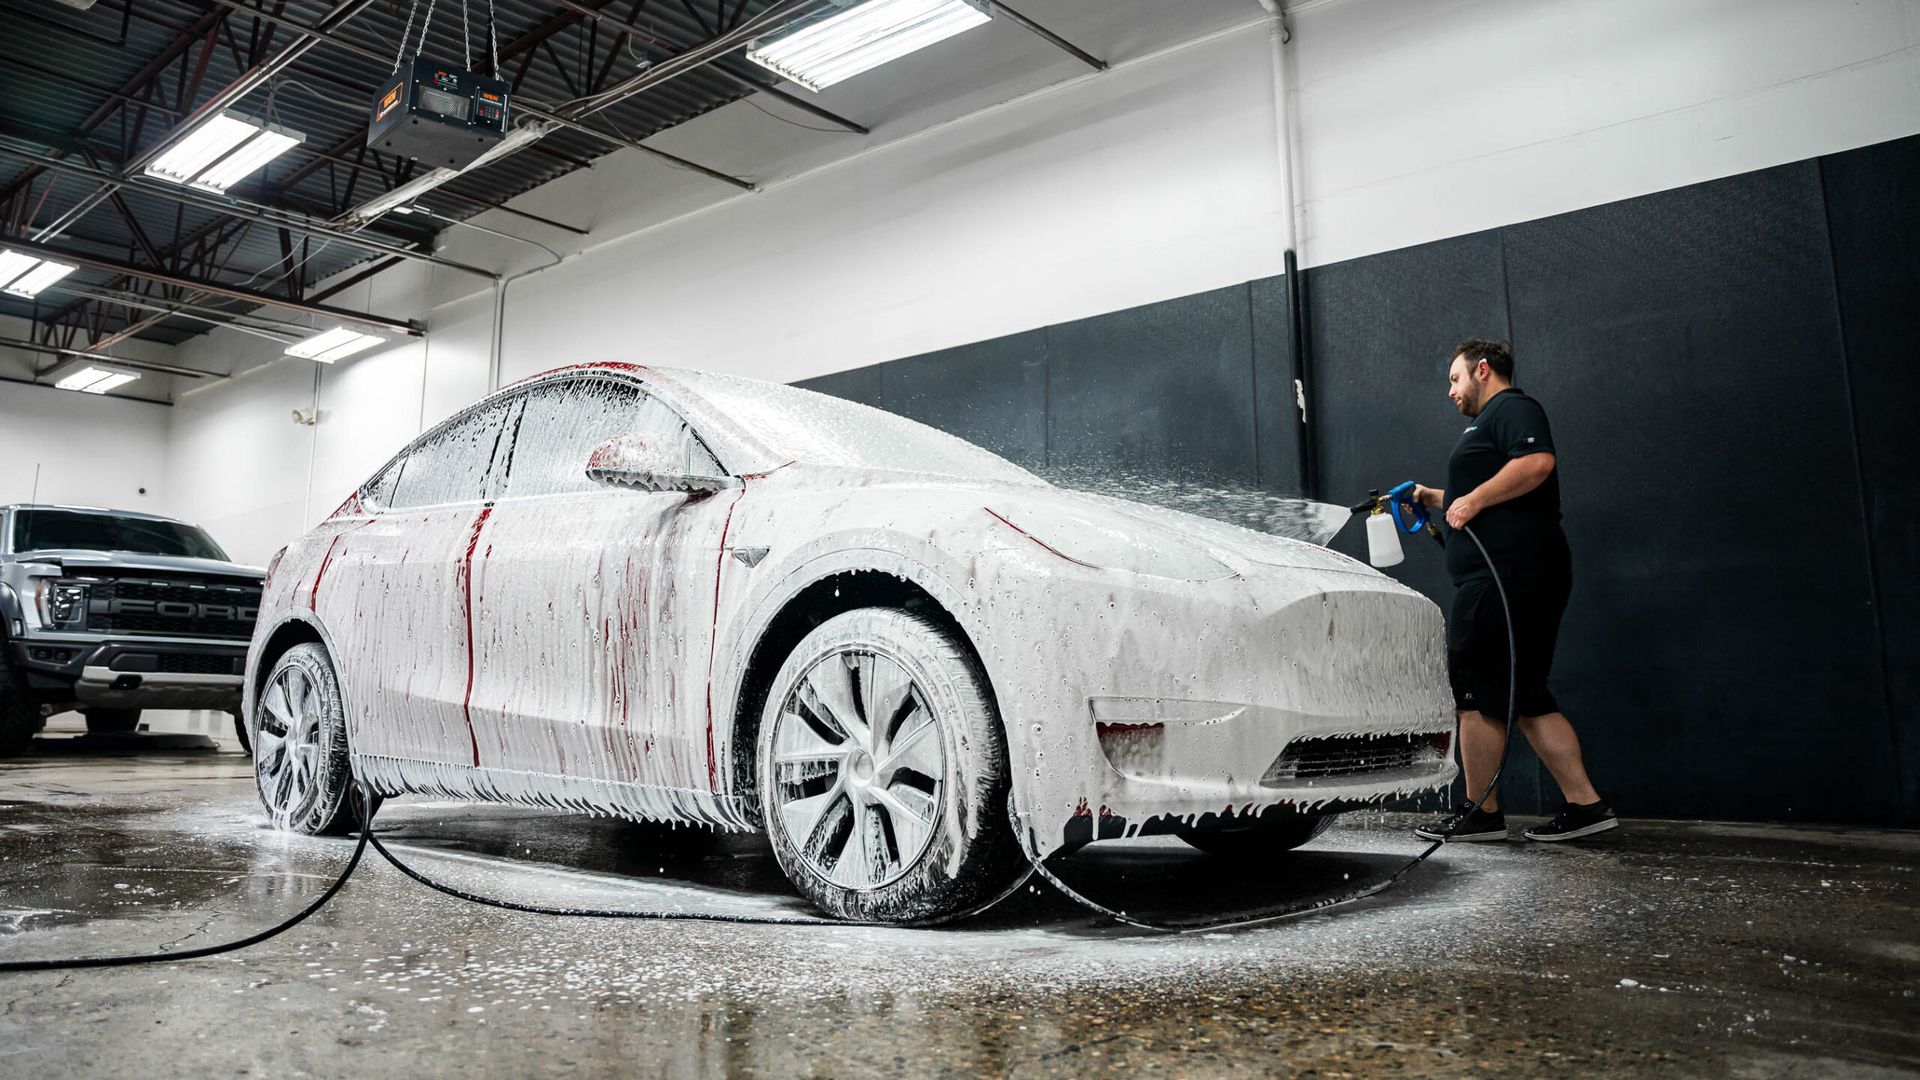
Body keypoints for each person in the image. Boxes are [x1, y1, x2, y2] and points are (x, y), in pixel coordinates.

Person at [1409, 339, 1617, 842]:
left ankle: (1481, 814)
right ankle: (1588, 808)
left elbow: (1536, 464)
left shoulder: (1511, 408)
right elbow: (1492, 493)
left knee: (1477, 692)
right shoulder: (1491, 423)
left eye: (1455, 379)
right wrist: (1436, 498)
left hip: (1503, 576)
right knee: (1526, 696)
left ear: (1483, 370)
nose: (1451, 392)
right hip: (1521, 572)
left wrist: (1473, 500)